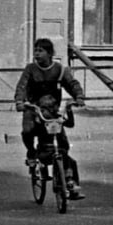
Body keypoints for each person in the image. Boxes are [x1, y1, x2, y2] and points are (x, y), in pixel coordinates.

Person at [14, 37, 86, 199]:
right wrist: (20, 101)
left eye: (41, 51)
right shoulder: (31, 69)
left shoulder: (59, 70)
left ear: (50, 53)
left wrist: (79, 96)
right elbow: (21, 87)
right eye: (35, 50)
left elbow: (72, 84)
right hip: (34, 109)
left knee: (62, 145)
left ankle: (71, 183)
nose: (37, 54)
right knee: (27, 131)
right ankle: (31, 153)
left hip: (52, 112)